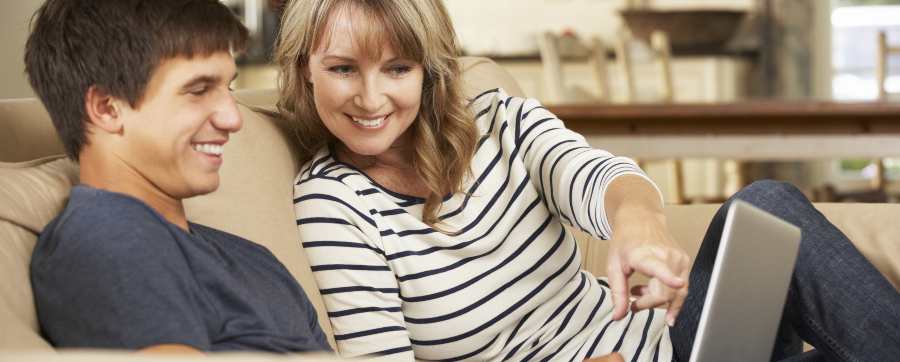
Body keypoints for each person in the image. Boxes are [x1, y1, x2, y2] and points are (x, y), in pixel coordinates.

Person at [277, 0, 900, 361]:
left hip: (675, 342)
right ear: (304, 70)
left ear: (428, 70)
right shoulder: (335, 201)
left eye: (396, 67)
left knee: (766, 211)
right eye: (341, 69)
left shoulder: (499, 119)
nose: (370, 97)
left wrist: (638, 225)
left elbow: (597, 176)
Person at [25, 0, 330, 354]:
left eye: (227, 89)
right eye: (199, 90)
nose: (233, 119)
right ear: (107, 108)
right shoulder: (107, 240)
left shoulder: (255, 259)